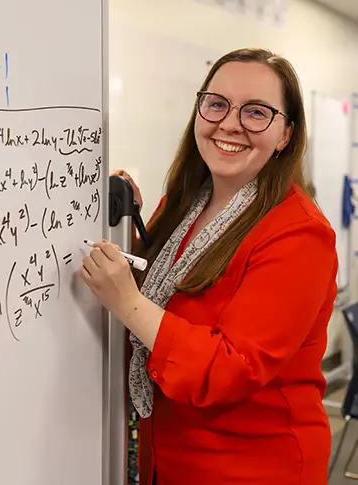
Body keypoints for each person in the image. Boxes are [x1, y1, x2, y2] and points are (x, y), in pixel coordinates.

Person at [78, 47, 338, 485]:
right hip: (167, 455)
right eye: (217, 104)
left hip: (250, 468)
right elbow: (164, 294)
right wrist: (129, 230)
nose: (229, 123)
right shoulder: (184, 204)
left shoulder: (301, 235)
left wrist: (125, 300)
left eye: (256, 112)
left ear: (286, 134)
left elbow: (229, 368)